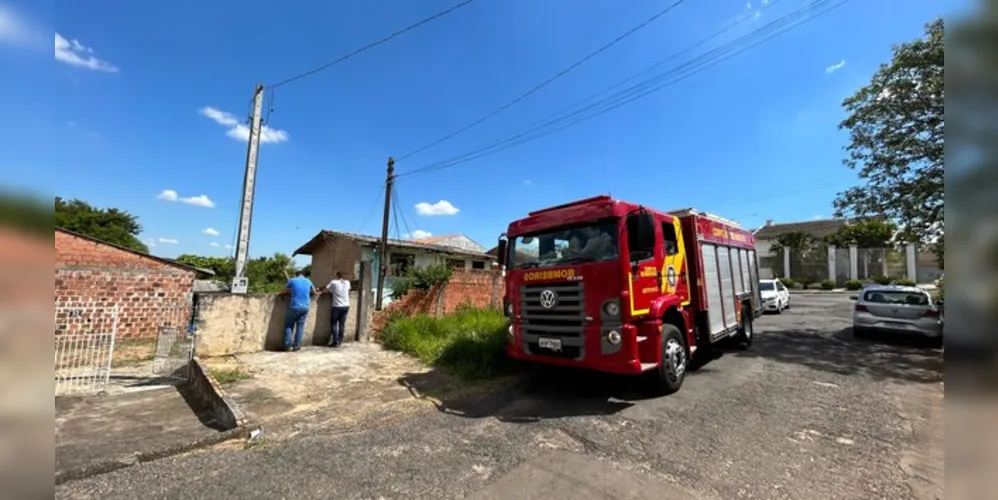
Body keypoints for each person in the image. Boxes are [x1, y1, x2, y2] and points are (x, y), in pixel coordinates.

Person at [281, 270, 317, 351]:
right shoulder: (308, 281)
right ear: (304, 275)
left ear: (296, 274)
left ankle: (287, 345)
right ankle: (297, 346)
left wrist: (291, 292)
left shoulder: (292, 280)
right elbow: (314, 292)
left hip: (294, 306)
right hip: (305, 307)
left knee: (289, 325)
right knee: (300, 327)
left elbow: (284, 290)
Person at [323, 271, 351, 347]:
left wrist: (324, 291)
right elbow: (346, 290)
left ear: (337, 275)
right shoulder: (347, 282)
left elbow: (325, 290)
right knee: (342, 324)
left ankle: (335, 341)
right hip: (346, 305)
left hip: (337, 306)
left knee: (334, 323)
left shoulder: (333, 282)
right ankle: (340, 341)